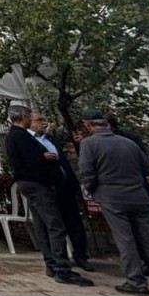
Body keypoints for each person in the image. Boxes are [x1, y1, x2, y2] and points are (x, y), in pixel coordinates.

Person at [77, 110, 149, 296]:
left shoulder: (89, 144)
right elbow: (146, 168)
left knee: (125, 238)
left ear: (88, 126)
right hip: (138, 195)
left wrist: (90, 190)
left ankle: (136, 282)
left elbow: (86, 172)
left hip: (111, 196)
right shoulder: (129, 143)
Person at [6, 106, 92, 286]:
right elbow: (31, 162)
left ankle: (55, 263)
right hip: (39, 185)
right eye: (32, 117)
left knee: (45, 225)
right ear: (24, 117)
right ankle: (61, 268)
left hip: (46, 185)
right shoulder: (20, 136)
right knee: (54, 226)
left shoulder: (20, 136)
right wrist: (44, 158)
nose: (35, 120)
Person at [28, 111, 93, 271]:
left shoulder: (51, 139)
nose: (44, 123)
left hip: (65, 186)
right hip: (46, 188)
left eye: (44, 119)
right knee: (51, 225)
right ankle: (56, 260)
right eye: (39, 120)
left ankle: (80, 255)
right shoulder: (27, 141)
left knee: (74, 222)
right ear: (29, 122)